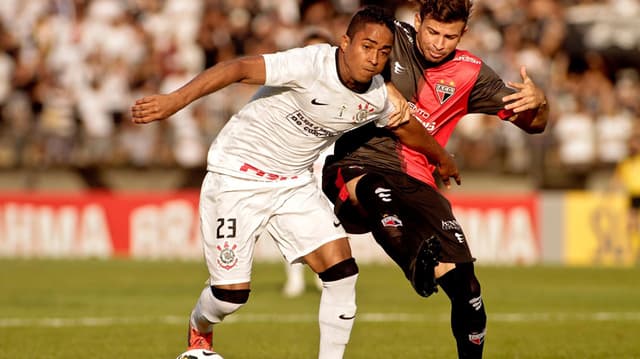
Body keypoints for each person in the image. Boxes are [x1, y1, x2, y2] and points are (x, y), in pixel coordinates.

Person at [131, 6, 457, 359]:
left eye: (383, 51)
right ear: (345, 42)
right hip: (237, 175)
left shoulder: (377, 95)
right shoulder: (309, 64)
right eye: (367, 46)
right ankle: (200, 327)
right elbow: (238, 68)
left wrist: (442, 157)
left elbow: (406, 127)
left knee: (342, 271)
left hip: (293, 184)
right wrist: (173, 101)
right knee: (230, 296)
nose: (375, 58)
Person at [322, 1, 548, 358]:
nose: (439, 43)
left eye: (449, 36)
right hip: (359, 161)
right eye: (432, 32)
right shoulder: (389, 38)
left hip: (418, 179)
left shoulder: (471, 73)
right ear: (417, 21)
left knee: (468, 290)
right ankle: (416, 266)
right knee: (371, 189)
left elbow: (535, 124)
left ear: (463, 34)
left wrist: (541, 103)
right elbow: (337, 56)